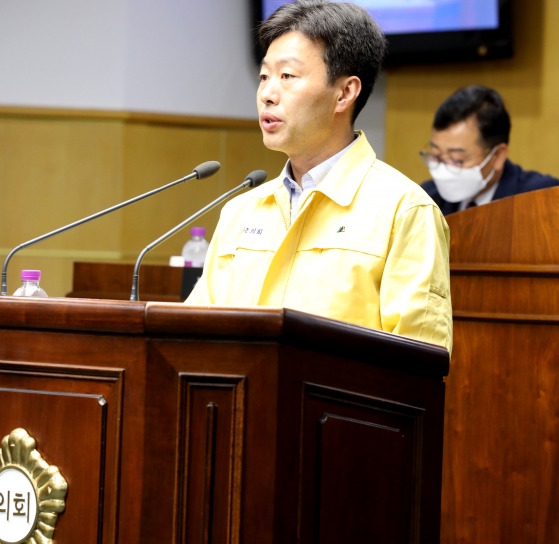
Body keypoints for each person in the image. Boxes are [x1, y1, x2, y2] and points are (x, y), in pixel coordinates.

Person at [186, 0, 452, 352]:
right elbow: (192, 337)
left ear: (345, 93)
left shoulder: (404, 210)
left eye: (287, 76)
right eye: (264, 76)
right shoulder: (241, 211)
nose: (267, 94)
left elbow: (418, 361)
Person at [421, 85, 559, 215]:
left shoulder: (544, 197)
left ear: (497, 155)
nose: (443, 170)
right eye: (436, 155)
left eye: (457, 160)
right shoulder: (426, 199)